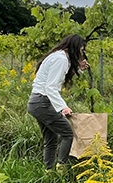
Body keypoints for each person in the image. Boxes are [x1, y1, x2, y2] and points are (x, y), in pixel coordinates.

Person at [27, 34, 89, 171]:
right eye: (81, 49)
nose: (82, 52)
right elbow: (50, 87)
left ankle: (49, 171)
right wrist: (63, 107)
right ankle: (61, 169)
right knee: (68, 134)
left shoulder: (61, 57)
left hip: (37, 102)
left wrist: (79, 69)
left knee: (51, 139)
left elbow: (58, 77)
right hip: (42, 102)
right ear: (74, 47)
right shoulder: (60, 59)